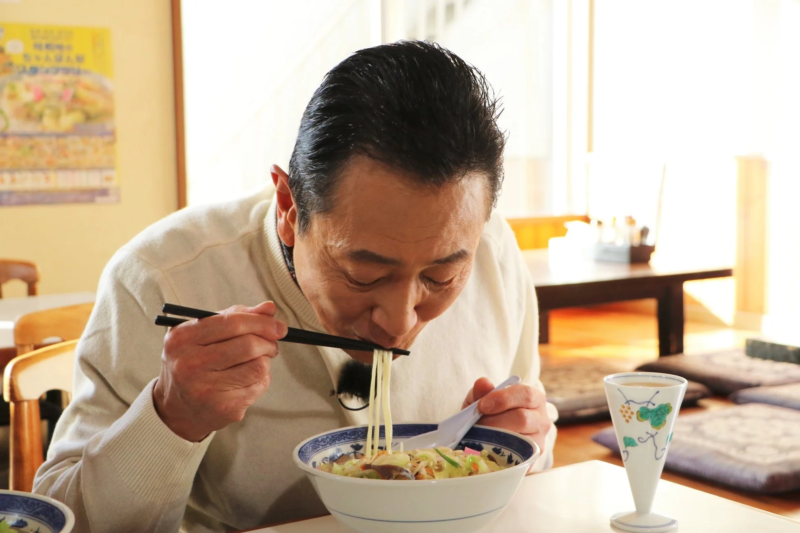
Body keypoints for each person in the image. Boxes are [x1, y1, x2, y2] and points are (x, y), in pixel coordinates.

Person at [35, 41, 558, 532]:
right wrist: (173, 416)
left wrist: (527, 440)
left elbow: (527, 443)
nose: (399, 322)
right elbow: (62, 515)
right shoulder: (160, 276)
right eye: (365, 274)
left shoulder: (493, 254)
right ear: (289, 208)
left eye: (440, 278)